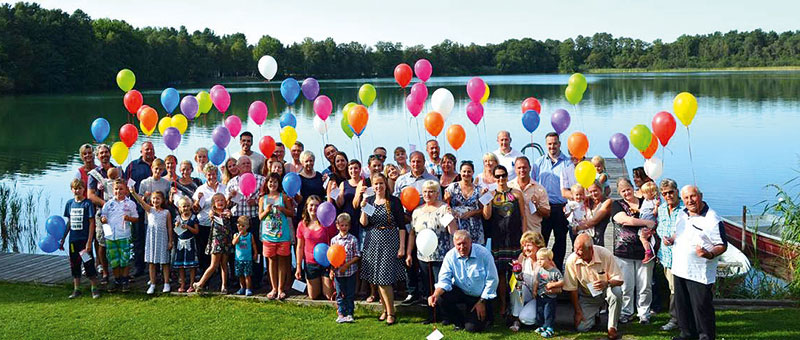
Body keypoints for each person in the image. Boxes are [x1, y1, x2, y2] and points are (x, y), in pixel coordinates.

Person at [669, 185, 727, 340]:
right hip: (680, 268)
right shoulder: (682, 214)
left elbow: (722, 245)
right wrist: (672, 239)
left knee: (701, 309)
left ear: (700, 196)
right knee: (683, 307)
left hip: (699, 273)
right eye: (686, 198)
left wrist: (709, 254)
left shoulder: (712, 219)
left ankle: (705, 337)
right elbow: (680, 232)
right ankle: (686, 335)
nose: (690, 200)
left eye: (693, 196)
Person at [359, 173, 407, 325]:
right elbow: (364, 223)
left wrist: (402, 247)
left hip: (389, 241)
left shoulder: (393, 201)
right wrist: (363, 206)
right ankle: (385, 309)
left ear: (386, 184)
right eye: (376, 184)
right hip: (373, 242)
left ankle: (391, 312)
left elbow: (401, 226)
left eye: (381, 183)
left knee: (384, 279)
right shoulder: (371, 201)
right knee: (376, 278)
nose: (378, 187)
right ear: (372, 186)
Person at [408, 180, 458, 324]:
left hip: (441, 254)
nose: (428, 194)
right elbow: (412, 233)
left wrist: (451, 218)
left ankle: (446, 316)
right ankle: (432, 315)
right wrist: (409, 253)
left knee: (441, 285)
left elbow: (452, 230)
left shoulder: (443, 208)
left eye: (431, 191)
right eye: (425, 192)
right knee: (427, 286)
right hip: (423, 256)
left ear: (437, 193)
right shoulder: (417, 211)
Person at [429, 230, 498, 333]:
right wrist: (435, 294)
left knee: (472, 328)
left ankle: (485, 316)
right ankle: (459, 322)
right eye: (458, 244)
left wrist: (482, 301)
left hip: (481, 296)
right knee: (441, 297)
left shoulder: (484, 254)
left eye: (464, 243)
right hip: (462, 292)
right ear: (454, 244)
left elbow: (492, 280)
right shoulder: (450, 256)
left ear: (471, 242)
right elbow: (444, 280)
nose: (462, 247)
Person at [393, 151, 438, 305]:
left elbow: (437, 202)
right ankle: (412, 292)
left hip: (426, 226)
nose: (416, 164)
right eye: (413, 161)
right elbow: (396, 202)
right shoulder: (401, 180)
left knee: (426, 261)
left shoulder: (432, 180)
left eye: (419, 161)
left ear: (424, 162)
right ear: (410, 162)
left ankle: (428, 293)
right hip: (406, 224)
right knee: (409, 258)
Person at [481, 164, 527, 316]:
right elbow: (486, 216)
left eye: (503, 175)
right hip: (498, 239)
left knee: (516, 273)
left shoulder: (517, 193)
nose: (501, 179)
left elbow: (523, 216)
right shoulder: (491, 194)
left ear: (507, 176)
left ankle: (516, 305)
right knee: (500, 274)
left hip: (515, 237)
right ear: (494, 178)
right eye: (498, 176)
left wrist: (525, 237)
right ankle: (502, 304)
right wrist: (485, 199)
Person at [611, 177, 656, 324]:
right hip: (623, 251)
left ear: (633, 189)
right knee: (626, 285)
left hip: (645, 251)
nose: (626, 193)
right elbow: (625, 220)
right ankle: (626, 312)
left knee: (645, 285)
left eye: (628, 189)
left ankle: (644, 313)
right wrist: (646, 223)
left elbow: (656, 215)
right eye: (623, 191)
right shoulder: (616, 205)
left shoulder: (645, 203)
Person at [563, 234, 624, 340]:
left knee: (616, 292)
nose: (576, 252)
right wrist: (578, 312)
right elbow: (572, 289)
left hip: (606, 291)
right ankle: (595, 316)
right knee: (581, 328)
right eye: (575, 248)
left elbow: (619, 280)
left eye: (579, 250)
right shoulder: (571, 260)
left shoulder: (605, 254)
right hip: (587, 296)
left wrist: (607, 283)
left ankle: (612, 327)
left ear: (590, 249)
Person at [226, 156, 266, 288]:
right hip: (237, 220)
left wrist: (256, 202)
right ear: (238, 166)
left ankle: (257, 278)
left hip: (254, 219)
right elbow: (226, 205)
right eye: (243, 163)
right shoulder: (232, 182)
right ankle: (239, 280)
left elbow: (266, 199)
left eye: (248, 163)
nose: (246, 165)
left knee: (256, 249)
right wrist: (230, 198)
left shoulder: (261, 180)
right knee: (238, 250)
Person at [532, 132, 570, 272]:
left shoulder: (568, 163)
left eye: (555, 143)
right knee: (542, 240)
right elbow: (533, 184)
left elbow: (572, 185)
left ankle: (557, 269)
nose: (552, 146)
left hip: (561, 207)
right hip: (544, 208)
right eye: (549, 144)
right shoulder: (538, 163)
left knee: (560, 240)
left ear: (559, 144)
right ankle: (540, 270)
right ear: (546, 144)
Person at [60, 179, 100, 299]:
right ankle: (76, 289)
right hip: (73, 241)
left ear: (84, 189)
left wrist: (89, 242)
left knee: (88, 263)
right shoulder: (69, 204)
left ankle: (94, 288)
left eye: (80, 188)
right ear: (72, 190)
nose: (77, 190)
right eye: (75, 188)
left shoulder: (87, 204)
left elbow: (92, 223)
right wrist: (63, 238)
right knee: (75, 264)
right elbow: (69, 223)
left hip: (84, 241)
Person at [130, 188, 173, 294]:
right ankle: (152, 284)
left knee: (165, 262)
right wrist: (133, 193)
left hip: (163, 238)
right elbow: (141, 201)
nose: (155, 201)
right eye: (153, 199)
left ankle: (166, 283)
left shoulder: (166, 212)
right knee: (152, 263)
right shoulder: (149, 210)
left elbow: (169, 228)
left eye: (158, 199)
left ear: (162, 200)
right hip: (152, 239)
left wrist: (170, 241)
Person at [259, 172, 295, 300]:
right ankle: (273, 288)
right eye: (270, 182)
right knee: (271, 261)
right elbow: (260, 217)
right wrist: (267, 211)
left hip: (282, 235)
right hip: (268, 236)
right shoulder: (263, 199)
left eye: (275, 182)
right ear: (266, 184)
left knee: (282, 262)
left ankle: (281, 289)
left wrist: (282, 209)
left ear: (279, 184)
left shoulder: (283, 197)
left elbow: (292, 213)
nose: (272, 184)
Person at [100, 179, 139, 292]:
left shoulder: (130, 204)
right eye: (116, 189)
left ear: (126, 190)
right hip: (110, 235)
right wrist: (103, 219)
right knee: (114, 260)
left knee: (124, 259)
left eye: (121, 189)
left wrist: (129, 218)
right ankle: (117, 280)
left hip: (124, 235)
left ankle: (125, 280)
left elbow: (136, 218)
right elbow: (103, 216)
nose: (119, 191)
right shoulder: (108, 204)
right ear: (113, 190)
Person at [295, 195, 337, 300]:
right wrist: (299, 267)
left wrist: (333, 266)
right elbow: (300, 247)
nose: (314, 208)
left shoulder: (327, 223)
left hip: (326, 263)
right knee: (313, 296)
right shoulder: (302, 224)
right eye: (311, 205)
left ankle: (328, 285)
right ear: (306, 207)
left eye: (317, 206)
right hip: (310, 264)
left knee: (329, 296)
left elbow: (334, 243)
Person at [124, 141, 156, 278]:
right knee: (138, 238)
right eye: (146, 150)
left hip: (156, 210)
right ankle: (139, 267)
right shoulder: (133, 166)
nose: (149, 152)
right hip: (138, 209)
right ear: (141, 152)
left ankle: (156, 267)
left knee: (155, 238)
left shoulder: (159, 164)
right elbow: (127, 188)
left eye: (151, 149)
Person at [86, 144, 116, 285]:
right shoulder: (94, 174)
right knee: (102, 243)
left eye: (106, 152)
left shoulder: (117, 170)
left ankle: (119, 272)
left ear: (110, 154)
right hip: (102, 215)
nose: (104, 155)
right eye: (101, 153)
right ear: (97, 156)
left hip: (118, 214)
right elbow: (90, 195)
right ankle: (105, 272)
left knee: (118, 242)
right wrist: (106, 204)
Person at [655, 178, 682, 331]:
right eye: (664, 194)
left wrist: (674, 238)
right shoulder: (661, 208)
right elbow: (660, 227)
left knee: (675, 290)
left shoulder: (684, 210)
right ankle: (679, 318)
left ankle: (675, 320)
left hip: (680, 256)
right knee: (673, 288)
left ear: (677, 191)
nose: (668, 196)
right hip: (665, 257)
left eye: (671, 192)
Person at [193, 193, 233, 293]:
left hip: (226, 241)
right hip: (216, 242)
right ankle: (201, 283)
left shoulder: (227, 211)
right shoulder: (212, 212)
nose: (220, 202)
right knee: (214, 265)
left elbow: (229, 215)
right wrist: (213, 214)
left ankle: (224, 286)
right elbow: (211, 215)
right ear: (214, 204)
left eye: (222, 200)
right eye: (217, 201)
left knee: (224, 264)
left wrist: (227, 213)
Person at [509, 231, 547, 331]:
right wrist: (517, 271)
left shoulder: (545, 259)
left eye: (529, 245)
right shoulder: (522, 257)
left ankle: (533, 316)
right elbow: (518, 279)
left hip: (540, 296)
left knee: (526, 318)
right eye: (524, 245)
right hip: (526, 292)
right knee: (516, 286)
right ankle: (516, 319)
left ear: (538, 245)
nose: (526, 249)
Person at [192, 164, 226, 273]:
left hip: (220, 225)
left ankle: (222, 279)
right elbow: (195, 209)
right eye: (209, 175)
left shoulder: (223, 187)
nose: (211, 177)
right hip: (204, 224)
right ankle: (205, 279)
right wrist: (198, 200)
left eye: (214, 174)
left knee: (221, 253)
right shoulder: (200, 189)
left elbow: (228, 204)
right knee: (204, 252)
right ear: (205, 175)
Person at [329, 213, 361, 323]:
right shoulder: (334, 240)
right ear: (337, 225)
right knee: (339, 294)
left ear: (349, 226)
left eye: (346, 225)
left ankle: (350, 313)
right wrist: (332, 270)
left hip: (350, 273)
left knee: (350, 294)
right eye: (342, 225)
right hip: (338, 273)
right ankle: (341, 313)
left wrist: (347, 265)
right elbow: (332, 257)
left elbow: (357, 255)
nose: (344, 228)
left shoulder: (353, 240)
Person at [445, 161, 486, 245]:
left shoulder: (479, 189)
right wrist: (446, 199)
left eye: (469, 171)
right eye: (464, 171)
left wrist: (472, 213)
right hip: (457, 227)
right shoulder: (453, 187)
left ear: (473, 172)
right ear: (460, 172)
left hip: (475, 228)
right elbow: (445, 204)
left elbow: (483, 210)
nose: (466, 174)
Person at [509, 156, 550, 234]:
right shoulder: (509, 187)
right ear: (515, 169)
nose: (522, 170)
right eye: (519, 168)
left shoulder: (539, 189)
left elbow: (547, 213)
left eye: (524, 167)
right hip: (513, 233)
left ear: (530, 168)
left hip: (533, 232)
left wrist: (537, 206)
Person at [532, 248, 564, 338]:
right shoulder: (540, 270)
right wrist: (534, 290)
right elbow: (536, 281)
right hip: (540, 294)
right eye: (538, 259)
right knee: (540, 311)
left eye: (541, 259)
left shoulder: (554, 271)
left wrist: (553, 284)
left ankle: (549, 327)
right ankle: (543, 326)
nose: (539, 261)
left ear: (549, 260)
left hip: (550, 297)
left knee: (548, 312)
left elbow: (562, 282)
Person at [172, 197, 199, 293]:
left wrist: (188, 227)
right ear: (179, 208)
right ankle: (182, 283)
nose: (186, 208)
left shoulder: (193, 218)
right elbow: (176, 232)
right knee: (181, 265)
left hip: (190, 243)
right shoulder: (178, 218)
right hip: (180, 243)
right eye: (184, 206)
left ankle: (191, 284)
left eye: (188, 206)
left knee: (191, 265)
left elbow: (196, 231)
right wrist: (176, 226)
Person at [579, 181, 613, 246]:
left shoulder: (607, 202)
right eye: (590, 192)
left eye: (595, 191)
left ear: (600, 189)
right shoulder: (588, 201)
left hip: (597, 241)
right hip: (582, 238)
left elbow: (593, 221)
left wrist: (577, 228)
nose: (593, 194)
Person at [297, 151, 326, 222]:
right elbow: (298, 199)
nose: (309, 163)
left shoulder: (319, 176)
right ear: (302, 163)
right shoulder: (298, 178)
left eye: (311, 161)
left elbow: (324, 193)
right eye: (306, 161)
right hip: (304, 213)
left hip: (319, 212)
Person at [232, 216, 258, 296]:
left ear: (247, 226)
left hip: (248, 259)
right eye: (239, 226)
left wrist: (255, 253)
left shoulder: (250, 235)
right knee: (240, 275)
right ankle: (242, 287)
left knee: (247, 275)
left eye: (243, 226)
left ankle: (248, 288)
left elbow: (253, 245)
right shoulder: (236, 235)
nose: (241, 228)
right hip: (238, 259)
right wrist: (239, 235)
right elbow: (234, 243)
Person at [638, 181, 660, 264]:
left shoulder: (654, 202)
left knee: (643, 238)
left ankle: (649, 252)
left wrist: (656, 206)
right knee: (647, 238)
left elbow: (655, 213)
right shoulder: (646, 200)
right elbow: (644, 210)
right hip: (644, 221)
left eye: (645, 193)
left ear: (651, 193)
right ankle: (651, 251)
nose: (643, 195)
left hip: (649, 223)